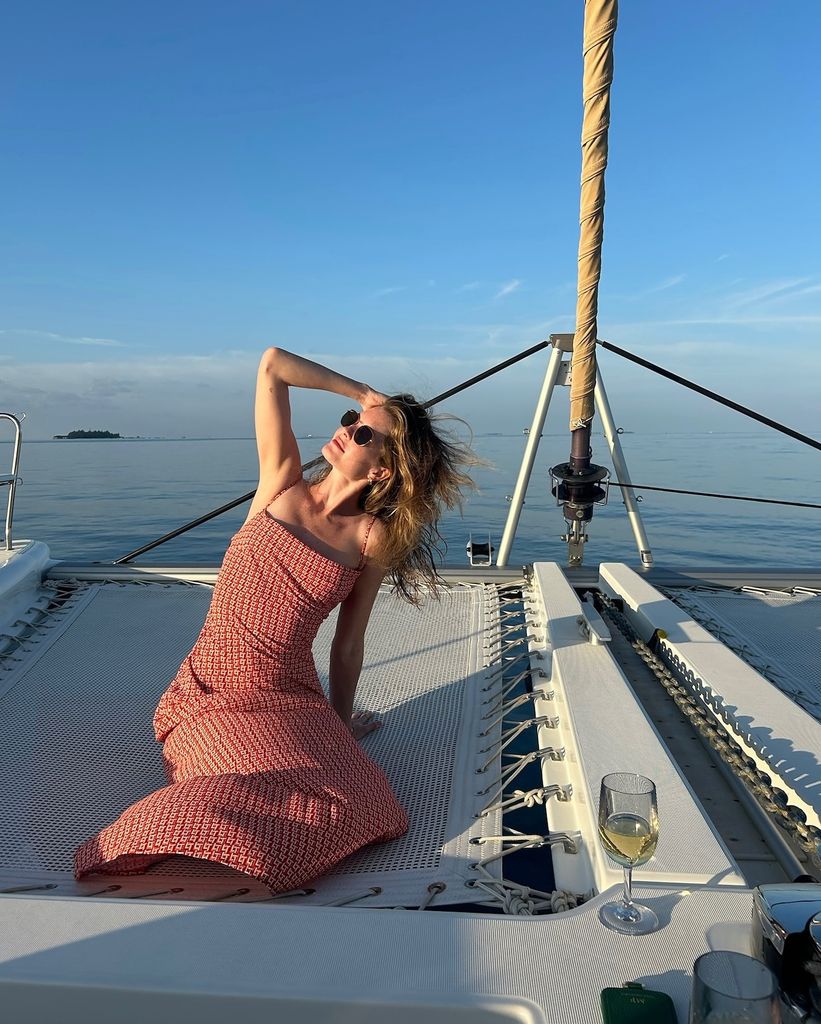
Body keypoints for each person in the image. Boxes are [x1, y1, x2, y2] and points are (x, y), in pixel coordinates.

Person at [74, 347, 474, 893]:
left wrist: (340, 719)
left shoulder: (369, 539)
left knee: (362, 798)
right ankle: (154, 838)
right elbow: (272, 366)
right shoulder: (281, 482)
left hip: (288, 692)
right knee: (233, 779)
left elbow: (348, 644)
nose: (349, 429)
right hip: (209, 689)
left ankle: (269, 834)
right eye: (351, 422)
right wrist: (363, 395)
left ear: (382, 468)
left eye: (364, 434)